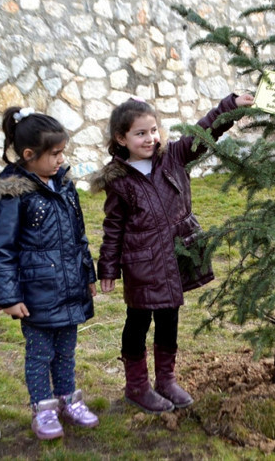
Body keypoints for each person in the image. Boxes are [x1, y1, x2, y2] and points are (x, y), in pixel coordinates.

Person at [93, 92, 254, 414]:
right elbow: (114, 227)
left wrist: (230, 106)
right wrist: (108, 268)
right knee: (137, 322)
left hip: (175, 258)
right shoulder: (119, 180)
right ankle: (136, 386)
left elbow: (203, 132)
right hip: (141, 264)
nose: (150, 138)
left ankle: (165, 380)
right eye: (140, 133)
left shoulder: (174, 157)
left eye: (153, 130)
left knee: (169, 319)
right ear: (121, 138)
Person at [0, 107, 98, 440]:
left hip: (70, 287)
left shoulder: (63, 184)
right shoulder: (13, 193)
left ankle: (68, 400)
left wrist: (87, 274)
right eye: (55, 153)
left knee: (66, 350)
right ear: (29, 155)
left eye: (63, 152)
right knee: (40, 354)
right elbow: (2, 249)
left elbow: (79, 234)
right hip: (35, 294)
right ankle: (43, 409)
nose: (61, 159)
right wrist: (9, 297)